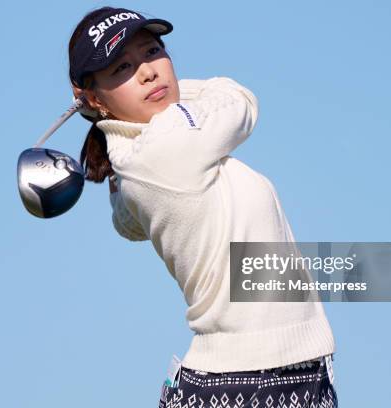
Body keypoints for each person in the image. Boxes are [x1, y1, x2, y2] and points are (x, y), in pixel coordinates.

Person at [68, 6, 338, 407]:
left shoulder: (135, 163)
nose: (149, 72)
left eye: (153, 51)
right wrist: (163, 99)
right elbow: (239, 100)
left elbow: (127, 223)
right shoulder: (160, 151)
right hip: (250, 383)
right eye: (121, 67)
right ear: (91, 95)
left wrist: (105, 117)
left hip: (269, 377)